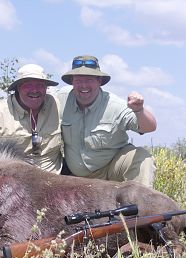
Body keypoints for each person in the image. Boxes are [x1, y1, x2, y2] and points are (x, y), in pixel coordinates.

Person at [57, 55, 157, 187]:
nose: (83, 85)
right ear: (72, 82)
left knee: (143, 158)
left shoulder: (114, 105)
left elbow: (148, 127)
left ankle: (140, 204)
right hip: (74, 175)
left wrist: (139, 110)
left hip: (110, 170)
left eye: (89, 79)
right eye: (78, 80)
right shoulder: (59, 98)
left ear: (99, 81)